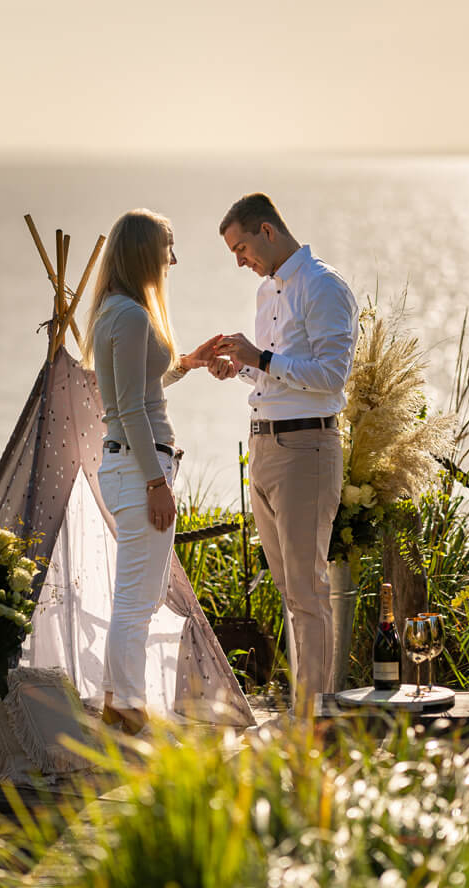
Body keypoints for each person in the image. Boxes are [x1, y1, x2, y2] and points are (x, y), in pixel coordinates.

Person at [213, 193, 359, 715]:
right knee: (289, 592)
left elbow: (330, 377)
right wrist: (242, 368)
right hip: (265, 446)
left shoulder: (323, 287)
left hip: (307, 448)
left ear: (268, 231)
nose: (240, 260)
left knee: (308, 590)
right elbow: (278, 374)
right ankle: (305, 712)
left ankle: (314, 719)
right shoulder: (265, 295)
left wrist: (262, 357)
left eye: (242, 247)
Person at [81, 208, 222, 734]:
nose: (173, 259)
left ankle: (121, 700)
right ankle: (128, 707)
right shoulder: (134, 316)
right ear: (145, 251)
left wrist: (187, 362)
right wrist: (156, 483)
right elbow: (133, 411)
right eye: (168, 247)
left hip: (127, 464)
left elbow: (137, 392)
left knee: (133, 594)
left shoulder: (113, 312)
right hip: (143, 468)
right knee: (137, 599)